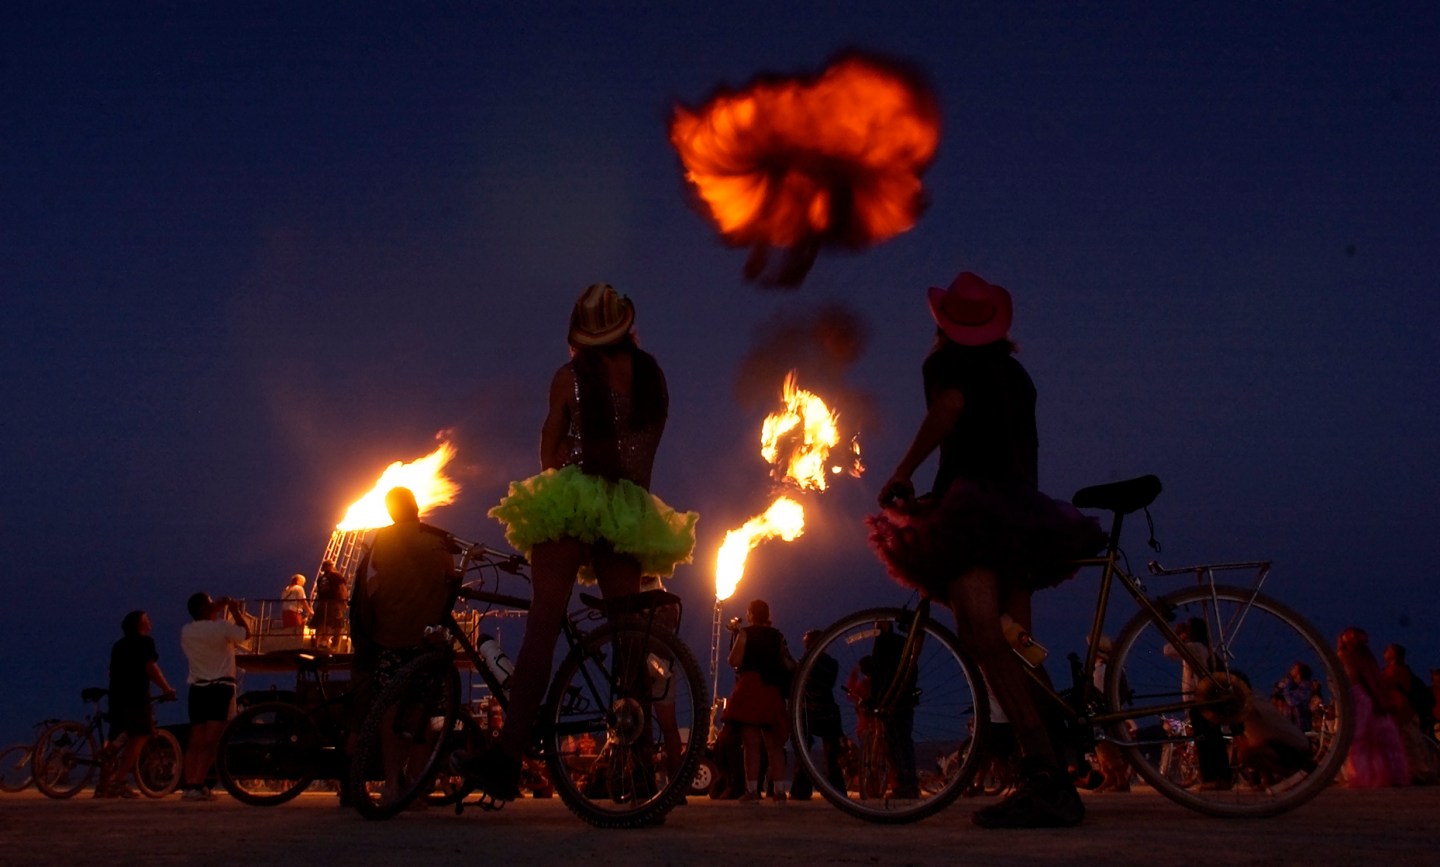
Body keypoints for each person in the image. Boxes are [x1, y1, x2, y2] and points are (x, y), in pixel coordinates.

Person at [867, 270, 1105, 828]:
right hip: (1022, 514)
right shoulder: (1015, 373)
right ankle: (1059, 737)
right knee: (1019, 644)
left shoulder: (944, 364)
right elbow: (1003, 444)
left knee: (980, 634)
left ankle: (1045, 774)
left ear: (945, 326)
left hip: (978, 517)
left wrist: (903, 470)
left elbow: (949, 411)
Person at [472, 283, 698, 801]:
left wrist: (573, 470)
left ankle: (507, 757)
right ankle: (638, 768)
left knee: (541, 630)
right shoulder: (652, 379)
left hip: (574, 500)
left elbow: (549, 450)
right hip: (627, 509)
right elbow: (644, 450)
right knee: (627, 640)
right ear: (626, 328)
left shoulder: (568, 378)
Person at [348, 486, 460, 804]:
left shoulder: (379, 540)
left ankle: (392, 785)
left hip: (389, 638)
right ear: (416, 507)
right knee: (422, 715)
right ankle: (416, 786)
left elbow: (370, 586)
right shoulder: (438, 539)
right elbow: (451, 578)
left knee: (392, 712)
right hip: (429, 641)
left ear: (390, 512)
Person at [178, 592, 250, 801]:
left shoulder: (186, 631)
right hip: (220, 686)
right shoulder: (221, 627)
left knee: (196, 739)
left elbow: (206, 619)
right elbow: (245, 634)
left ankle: (189, 784)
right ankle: (198, 784)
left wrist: (215, 606)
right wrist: (235, 610)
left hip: (197, 687)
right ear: (206, 609)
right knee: (212, 741)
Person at [723, 599, 795, 803]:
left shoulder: (746, 633)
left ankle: (753, 790)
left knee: (751, 745)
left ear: (750, 614)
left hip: (751, 689)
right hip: (772, 690)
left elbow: (734, 661)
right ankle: (779, 791)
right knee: (774, 745)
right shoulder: (777, 636)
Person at [100, 611, 177, 798]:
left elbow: (112, 671)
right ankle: (119, 781)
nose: (150, 622)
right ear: (139, 623)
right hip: (136, 696)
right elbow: (150, 667)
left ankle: (103, 786)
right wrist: (166, 688)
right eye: (147, 619)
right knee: (139, 736)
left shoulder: (118, 645)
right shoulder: (145, 642)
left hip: (117, 696)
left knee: (116, 738)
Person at [1161, 617, 1234, 791]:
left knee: (1205, 740)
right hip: (1207, 698)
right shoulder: (1205, 648)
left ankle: (1212, 777)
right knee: (1212, 738)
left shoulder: (1194, 647)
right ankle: (1221, 777)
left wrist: (1176, 635)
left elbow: (1168, 651)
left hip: (1199, 699)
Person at [1336, 627, 1409, 787]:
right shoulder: (1366, 658)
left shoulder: (1345, 655)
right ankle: (1386, 775)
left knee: (1359, 739)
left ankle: (1363, 777)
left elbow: (1350, 677)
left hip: (1356, 696)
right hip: (1368, 698)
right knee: (1378, 740)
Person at [790, 629, 846, 800]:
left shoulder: (804, 662)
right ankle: (836, 791)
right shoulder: (832, 663)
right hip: (828, 708)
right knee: (831, 755)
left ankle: (801, 790)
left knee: (804, 752)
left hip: (808, 709)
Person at [870, 618, 919, 798]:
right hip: (888, 699)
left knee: (901, 742)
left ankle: (909, 784)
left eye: (880, 622)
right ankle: (903, 782)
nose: (877, 626)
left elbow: (907, 669)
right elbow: (877, 675)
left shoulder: (895, 643)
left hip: (899, 699)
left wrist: (897, 693)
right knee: (893, 742)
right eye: (875, 623)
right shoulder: (880, 644)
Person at [311, 559, 349, 650]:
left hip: (322, 603)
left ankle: (317, 644)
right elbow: (342, 589)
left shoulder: (321, 579)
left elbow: (320, 591)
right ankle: (329, 644)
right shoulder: (337, 576)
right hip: (335, 603)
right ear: (331, 566)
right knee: (334, 624)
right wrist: (344, 602)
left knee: (320, 623)